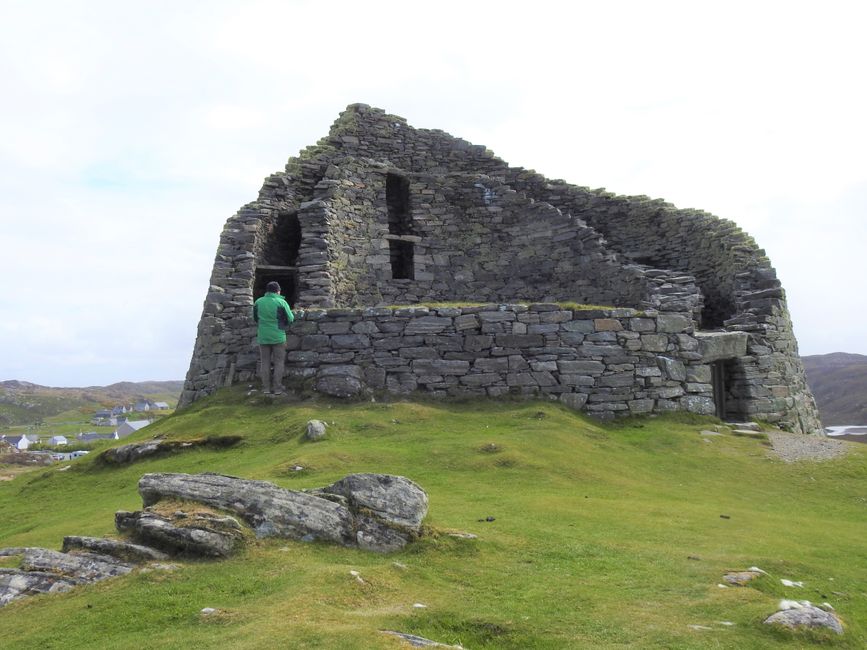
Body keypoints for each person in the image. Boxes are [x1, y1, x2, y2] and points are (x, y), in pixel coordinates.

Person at [253, 281, 295, 394]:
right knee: (279, 362)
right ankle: (277, 388)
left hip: (263, 336)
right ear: (278, 291)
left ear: (267, 291)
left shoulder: (258, 302)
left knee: (265, 362)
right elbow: (290, 318)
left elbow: (255, 317)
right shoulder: (281, 302)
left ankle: (266, 388)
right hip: (278, 336)